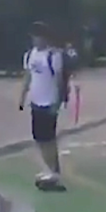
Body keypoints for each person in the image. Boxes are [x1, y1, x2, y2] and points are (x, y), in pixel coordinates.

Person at [18, 21, 70, 191]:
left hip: (49, 102)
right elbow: (28, 77)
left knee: (48, 138)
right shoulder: (30, 55)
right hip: (35, 101)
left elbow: (60, 80)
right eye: (34, 37)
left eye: (39, 36)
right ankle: (48, 168)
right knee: (38, 137)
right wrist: (22, 96)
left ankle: (54, 171)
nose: (36, 40)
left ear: (45, 38)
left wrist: (59, 101)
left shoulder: (53, 56)